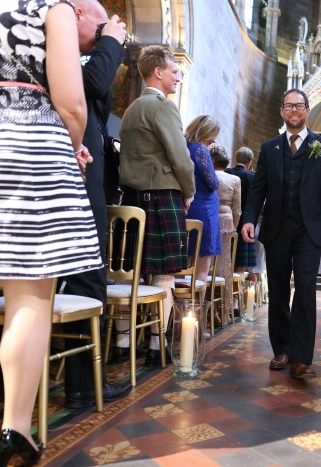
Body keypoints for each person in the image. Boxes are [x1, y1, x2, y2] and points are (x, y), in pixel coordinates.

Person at [0, 1, 103, 464]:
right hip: (31, 148)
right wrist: (70, 147)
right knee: (29, 300)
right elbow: (73, 103)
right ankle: (14, 433)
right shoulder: (48, 9)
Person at [59, 0, 132, 409]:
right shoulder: (60, 47)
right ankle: (86, 386)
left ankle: (84, 382)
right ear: (77, 16)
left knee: (87, 280)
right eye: (102, 26)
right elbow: (95, 84)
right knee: (87, 280)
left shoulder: (69, 56)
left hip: (84, 177)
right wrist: (111, 42)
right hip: (73, 179)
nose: (109, 34)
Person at [241, 89, 321, 379]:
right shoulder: (269, 147)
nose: (294, 111)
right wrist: (249, 219)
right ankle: (281, 350)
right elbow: (258, 189)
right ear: (282, 111)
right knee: (279, 290)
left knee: (306, 289)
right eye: (289, 106)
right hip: (276, 227)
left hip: (309, 229)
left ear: (307, 110)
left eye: (299, 106)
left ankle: (301, 358)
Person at [118, 45, 195, 367]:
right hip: (162, 196)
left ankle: (122, 343)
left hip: (132, 198)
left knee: (129, 274)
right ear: (158, 72)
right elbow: (180, 156)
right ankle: (155, 343)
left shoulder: (132, 108)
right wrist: (188, 191)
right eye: (174, 71)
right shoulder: (162, 107)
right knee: (163, 274)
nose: (178, 77)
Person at [184, 115, 221, 284]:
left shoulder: (185, 147)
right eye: (212, 135)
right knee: (202, 268)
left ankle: (182, 308)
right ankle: (197, 308)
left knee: (184, 263)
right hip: (204, 210)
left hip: (189, 207)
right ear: (204, 132)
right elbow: (213, 182)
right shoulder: (200, 150)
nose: (213, 141)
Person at [211, 145, 241, 320]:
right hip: (226, 219)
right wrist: (234, 227)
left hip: (207, 217)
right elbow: (237, 209)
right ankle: (224, 309)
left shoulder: (209, 175)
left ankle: (206, 305)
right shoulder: (234, 179)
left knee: (205, 265)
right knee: (223, 265)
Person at [227, 148, 258, 282]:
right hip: (245, 224)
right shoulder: (252, 177)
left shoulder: (227, 173)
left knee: (225, 264)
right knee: (241, 266)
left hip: (228, 222)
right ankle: (237, 300)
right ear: (250, 162)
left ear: (236, 158)